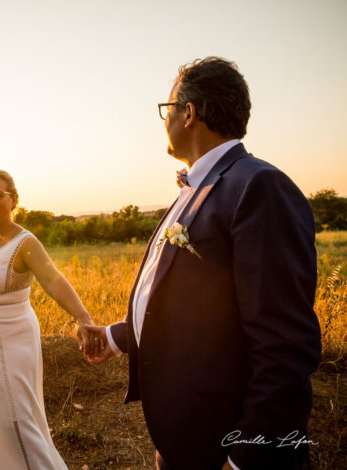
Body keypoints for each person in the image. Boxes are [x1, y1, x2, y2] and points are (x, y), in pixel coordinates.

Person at [85, 57, 321, 470]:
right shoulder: (197, 187)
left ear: (189, 113)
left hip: (229, 442)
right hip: (187, 434)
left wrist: (246, 457)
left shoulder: (258, 186)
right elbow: (201, 303)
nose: (166, 120)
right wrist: (119, 335)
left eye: (168, 108)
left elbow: (285, 345)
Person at [0, 169, 100, 470]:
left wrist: (82, 317)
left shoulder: (26, 243)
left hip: (9, 342)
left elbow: (52, 279)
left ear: (14, 200)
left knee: (15, 417)